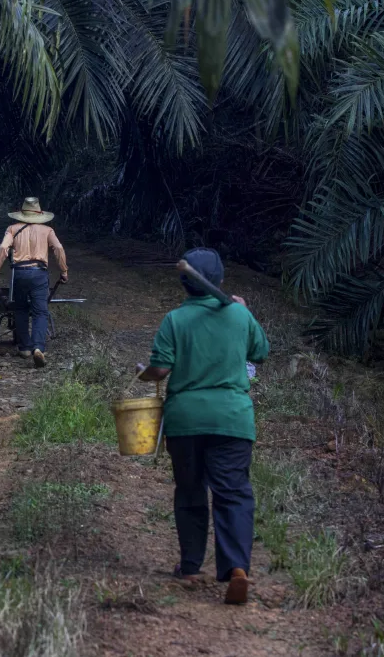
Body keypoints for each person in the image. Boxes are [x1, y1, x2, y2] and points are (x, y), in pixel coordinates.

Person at [135, 248, 269, 605]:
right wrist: (245, 311)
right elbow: (261, 351)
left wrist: (142, 373)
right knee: (233, 492)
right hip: (233, 420)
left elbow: (160, 369)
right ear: (221, 280)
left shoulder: (175, 320)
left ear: (185, 284)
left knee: (190, 490)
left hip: (186, 421)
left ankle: (191, 566)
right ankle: (237, 568)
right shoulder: (238, 315)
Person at [0, 197, 69, 368]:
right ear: (39, 213)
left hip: (19, 273)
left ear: (22, 213)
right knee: (40, 312)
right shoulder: (48, 230)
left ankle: (25, 348)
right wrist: (63, 271)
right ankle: (38, 348)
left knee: (20, 309)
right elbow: (59, 248)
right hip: (39, 274)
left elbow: (4, 248)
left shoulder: (12, 229)